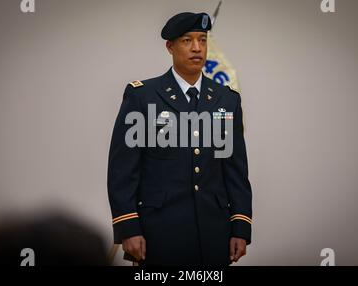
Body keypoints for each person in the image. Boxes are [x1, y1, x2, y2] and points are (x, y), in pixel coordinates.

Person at [107, 12, 252, 266]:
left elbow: (234, 169)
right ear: (170, 47)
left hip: (214, 233)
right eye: (187, 40)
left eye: (202, 40)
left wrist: (240, 225)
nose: (197, 48)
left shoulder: (227, 99)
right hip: (159, 232)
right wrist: (128, 227)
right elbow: (123, 169)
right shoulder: (143, 97)